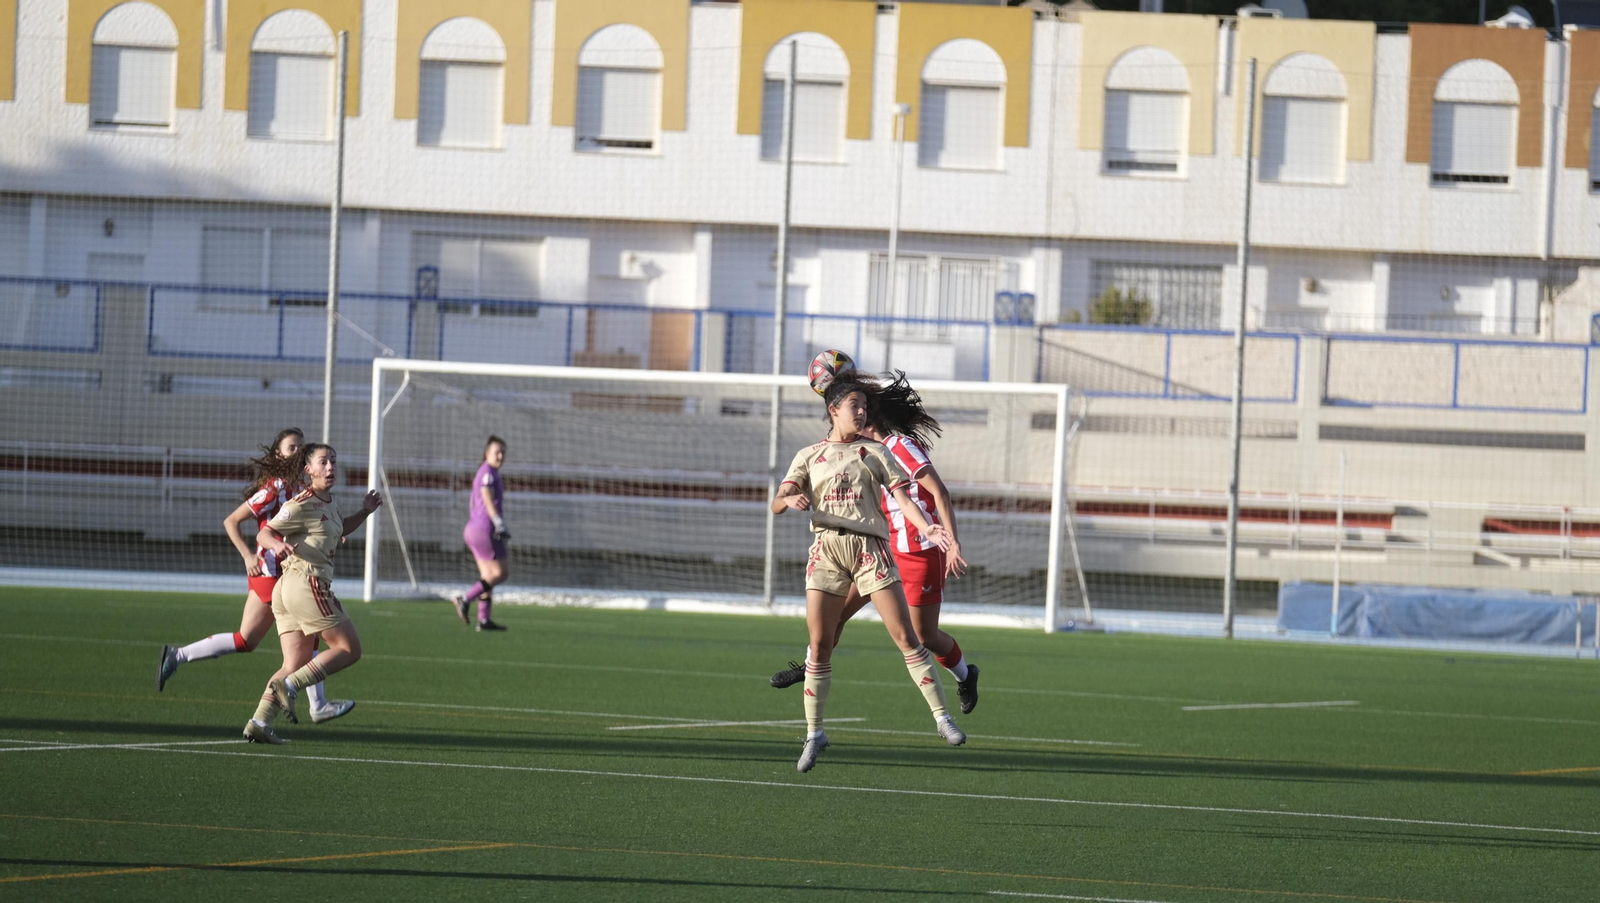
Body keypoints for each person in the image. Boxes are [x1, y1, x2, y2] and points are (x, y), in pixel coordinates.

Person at [773, 377, 966, 773]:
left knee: (906, 636)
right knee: (821, 641)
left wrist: (928, 527)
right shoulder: (809, 455)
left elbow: (902, 497)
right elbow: (777, 501)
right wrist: (787, 499)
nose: (861, 412)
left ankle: (942, 718)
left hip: (870, 551)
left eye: (864, 405)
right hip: (827, 551)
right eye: (854, 406)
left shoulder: (876, 451)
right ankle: (814, 734)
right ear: (834, 410)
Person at [157, 429, 352, 723]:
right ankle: (179, 656)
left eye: (301, 447)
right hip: (272, 574)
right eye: (291, 448)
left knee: (284, 641)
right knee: (264, 639)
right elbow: (232, 521)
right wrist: (248, 556)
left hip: (290, 574)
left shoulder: (305, 488)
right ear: (278, 454)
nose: (298, 451)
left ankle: (309, 706)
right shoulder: (275, 487)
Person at [241, 443, 382, 744]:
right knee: (349, 649)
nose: (330, 467)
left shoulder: (329, 502)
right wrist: (276, 544)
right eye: (323, 462)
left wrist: (365, 512)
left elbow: (341, 528)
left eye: (333, 461)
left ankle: (259, 721)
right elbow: (264, 533)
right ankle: (290, 687)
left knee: (295, 662)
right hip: (306, 583)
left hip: (291, 590)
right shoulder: (300, 503)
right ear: (308, 470)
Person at [450, 436, 509, 631]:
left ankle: (484, 619)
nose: (500, 456)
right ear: (486, 453)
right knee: (501, 573)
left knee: (487, 576)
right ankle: (465, 598)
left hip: (472, 529)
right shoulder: (488, 472)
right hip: (485, 528)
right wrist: (498, 522)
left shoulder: (486, 471)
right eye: (496, 452)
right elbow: (486, 494)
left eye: (503, 452)